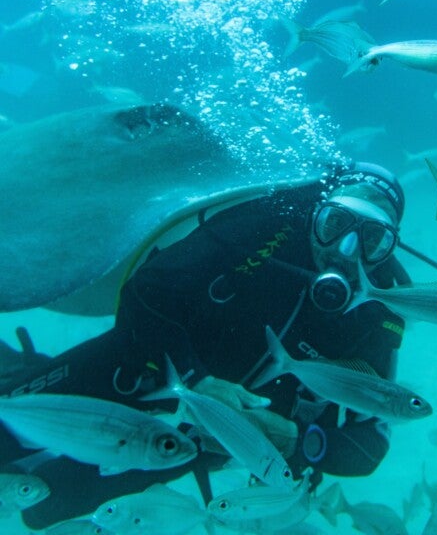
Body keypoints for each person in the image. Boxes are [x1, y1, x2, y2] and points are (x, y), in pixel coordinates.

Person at [0, 162, 411, 530]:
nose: (345, 250)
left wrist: (298, 440)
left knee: (43, 509)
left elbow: (370, 444)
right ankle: (22, 370)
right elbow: (144, 293)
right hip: (131, 368)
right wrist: (196, 380)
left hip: (195, 441)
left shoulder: (381, 310)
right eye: (335, 223)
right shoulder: (266, 225)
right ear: (316, 213)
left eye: (373, 238)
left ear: (388, 248)